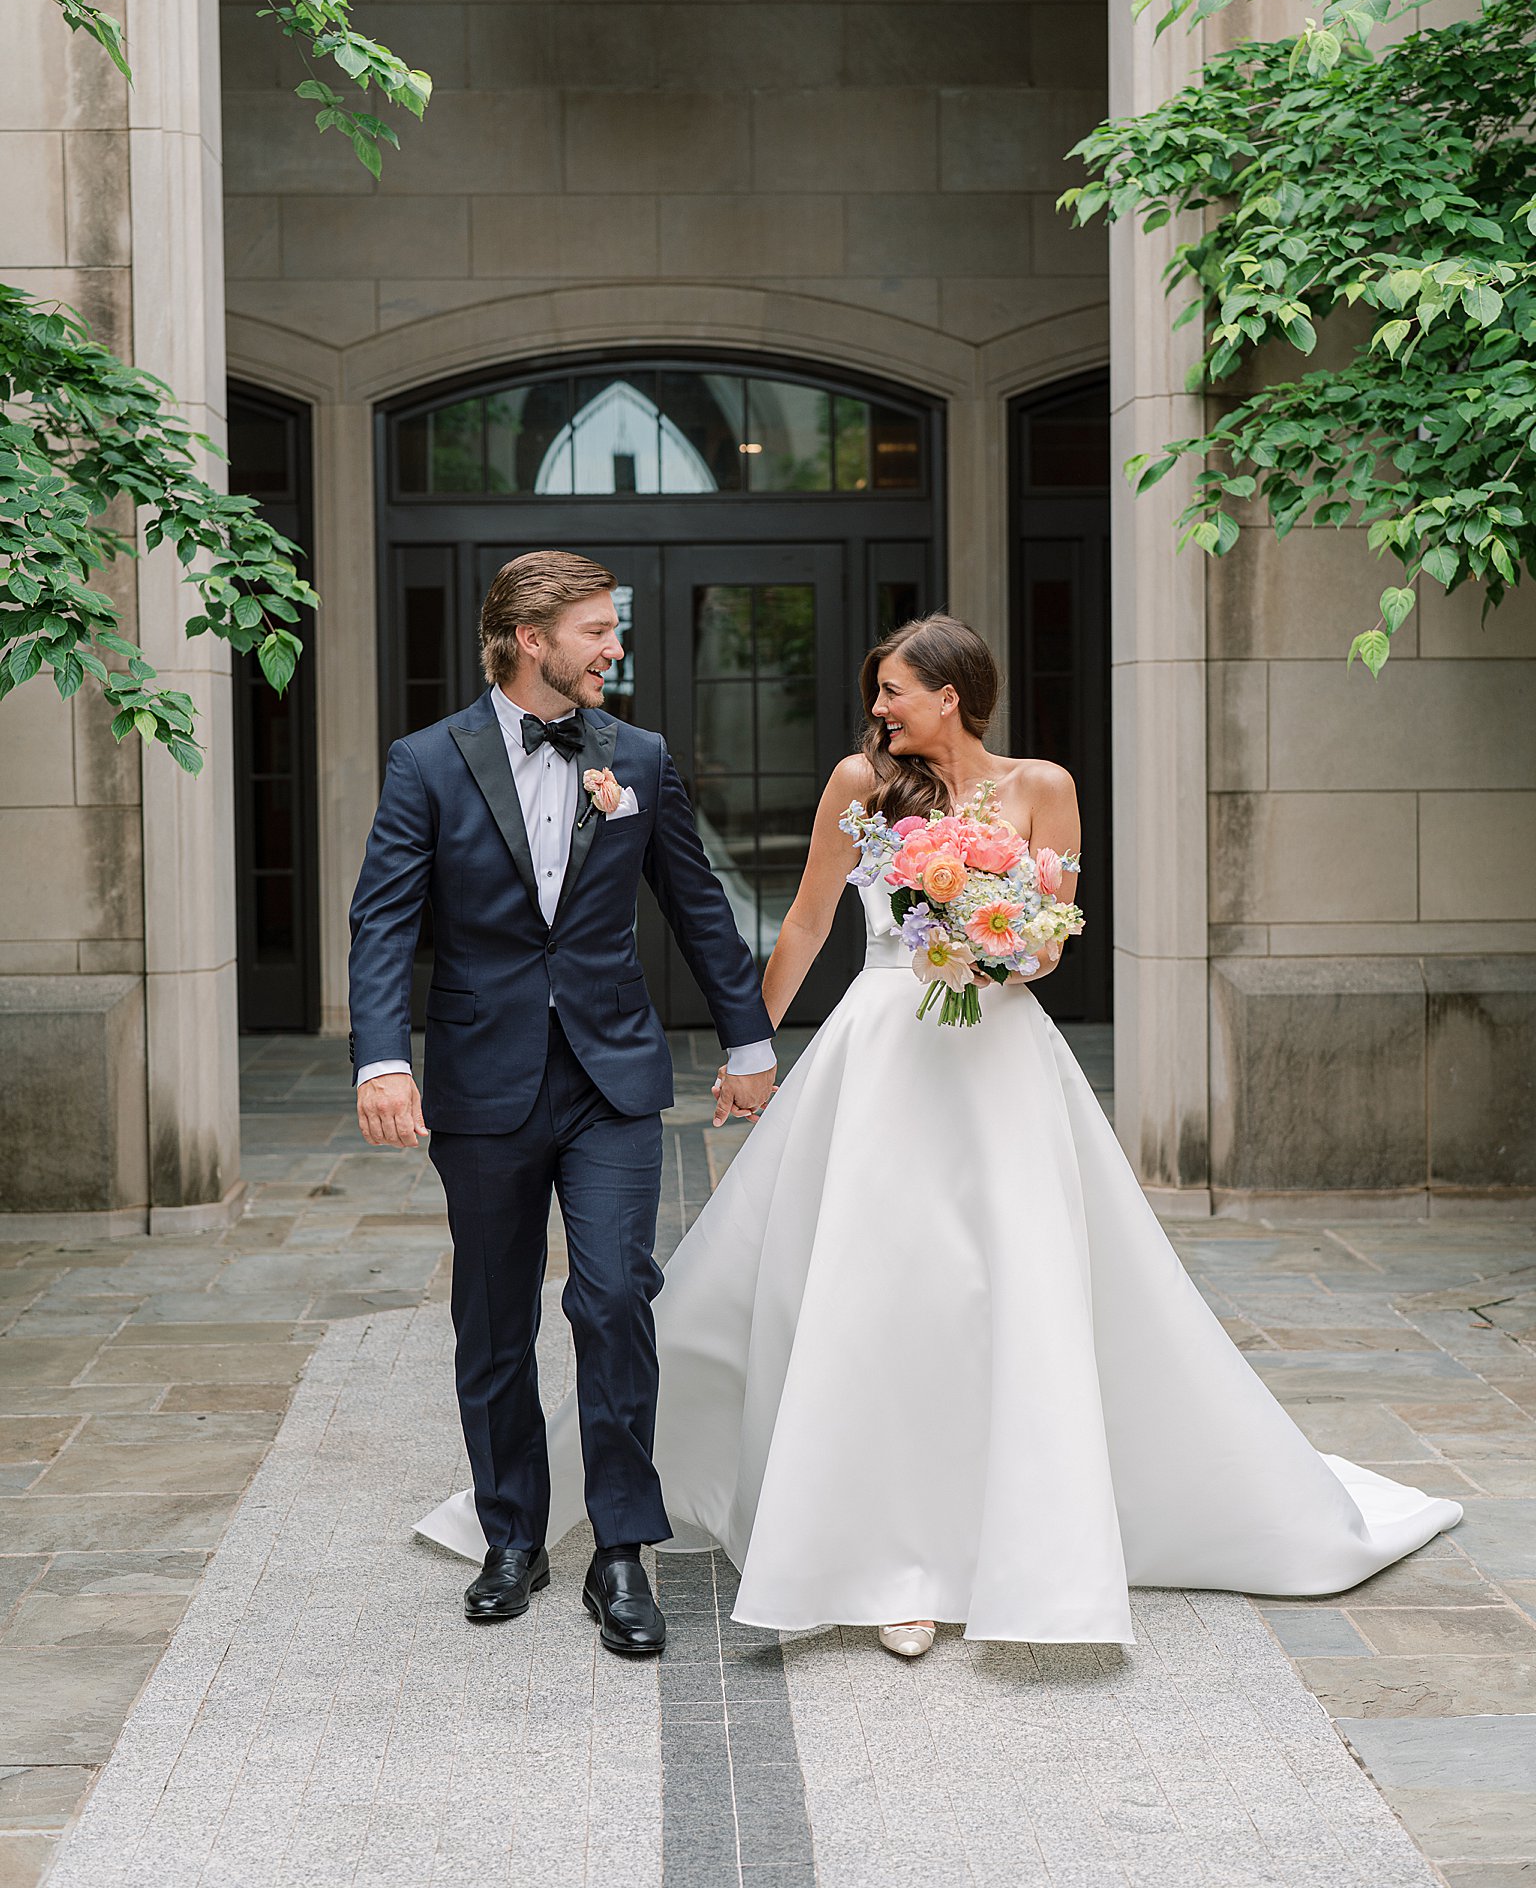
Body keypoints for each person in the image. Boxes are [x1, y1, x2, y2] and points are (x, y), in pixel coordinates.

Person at [418, 612, 1462, 1655]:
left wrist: (997, 948)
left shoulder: (1044, 786)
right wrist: (752, 1046)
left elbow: (1055, 933)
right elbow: (810, 922)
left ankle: (1013, 1538)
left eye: (893, 692)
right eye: (876, 693)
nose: (877, 708)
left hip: (1002, 1063)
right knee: (867, 1296)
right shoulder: (857, 783)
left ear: (950, 695)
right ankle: (887, 1560)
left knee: (1016, 1293)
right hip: (879, 1057)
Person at [351, 550, 776, 1658]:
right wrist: (381, 1059)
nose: (615, 647)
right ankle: (512, 1534)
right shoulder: (425, 763)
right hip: (484, 1078)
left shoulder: (635, 754)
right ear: (532, 638)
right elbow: (384, 921)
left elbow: (696, 903)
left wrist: (747, 1038)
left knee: (609, 1298)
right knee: (492, 1314)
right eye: (598, 628)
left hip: (612, 1078)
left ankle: (623, 1547)